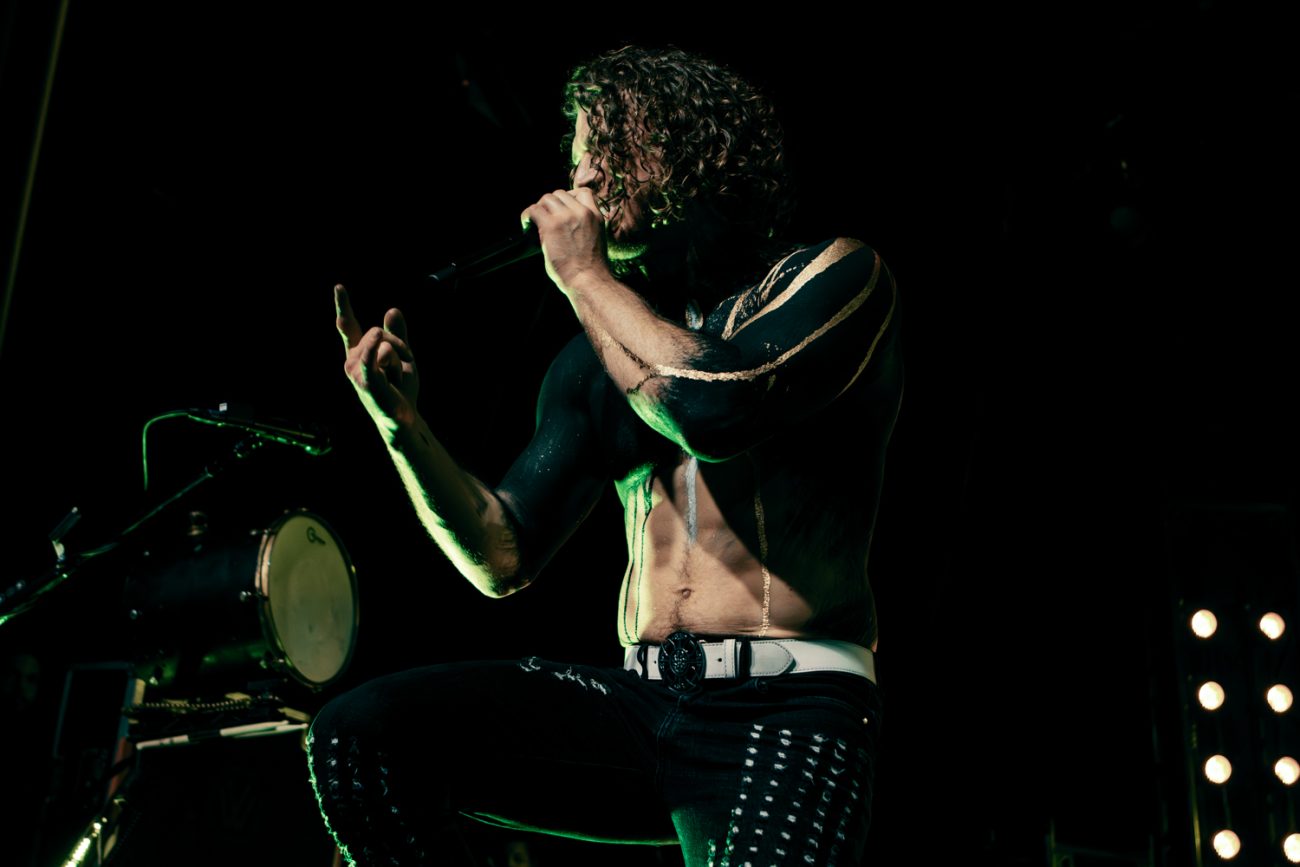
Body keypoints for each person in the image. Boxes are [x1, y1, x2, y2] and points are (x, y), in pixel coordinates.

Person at [309, 45, 903, 867]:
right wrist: (402, 425)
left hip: (791, 704)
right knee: (361, 738)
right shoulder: (594, 358)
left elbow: (714, 410)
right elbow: (501, 552)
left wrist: (584, 277)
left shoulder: (836, 276)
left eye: (609, 148)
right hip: (641, 699)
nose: (582, 176)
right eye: (580, 154)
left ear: (691, 153)